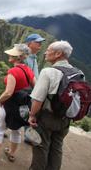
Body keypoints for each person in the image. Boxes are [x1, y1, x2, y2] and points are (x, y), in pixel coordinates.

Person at [0, 44, 35, 165]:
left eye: (12, 54)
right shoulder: (28, 70)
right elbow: (35, 87)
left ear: (17, 57)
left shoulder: (13, 71)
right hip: (22, 105)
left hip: (9, 105)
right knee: (16, 129)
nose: (9, 55)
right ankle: (11, 154)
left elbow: (8, 92)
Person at [28, 41, 74, 170]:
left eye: (48, 50)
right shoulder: (78, 72)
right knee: (57, 148)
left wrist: (32, 115)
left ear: (58, 54)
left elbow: (37, 99)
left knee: (41, 147)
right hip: (66, 119)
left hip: (48, 118)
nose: (45, 52)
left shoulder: (48, 72)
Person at [23, 33, 45, 144]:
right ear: (29, 43)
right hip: (24, 91)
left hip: (32, 92)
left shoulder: (34, 58)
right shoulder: (25, 58)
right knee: (15, 111)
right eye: (37, 42)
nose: (40, 45)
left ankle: (27, 137)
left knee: (28, 114)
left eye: (41, 42)